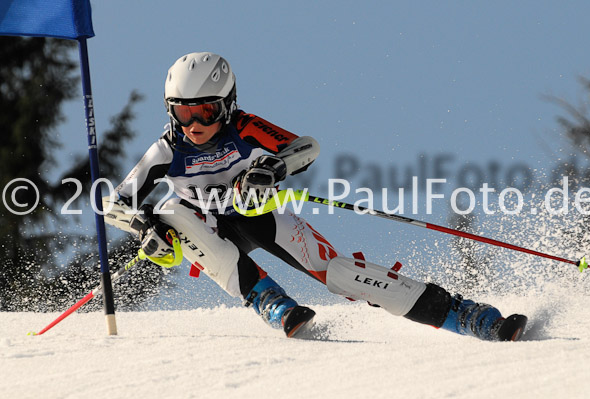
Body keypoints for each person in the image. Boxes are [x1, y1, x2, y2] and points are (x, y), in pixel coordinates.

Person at [103, 52, 527, 340]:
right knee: (171, 209)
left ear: (227, 105)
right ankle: (269, 301)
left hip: (257, 217)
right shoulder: (167, 150)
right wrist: (145, 227)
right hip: (204, 234)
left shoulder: (245, 127)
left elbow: (305, 146)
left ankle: (468, 316)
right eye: (182, 112)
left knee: (340, 273)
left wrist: (272, 168)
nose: (194, 123)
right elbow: (114, 203)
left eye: (205, 111)